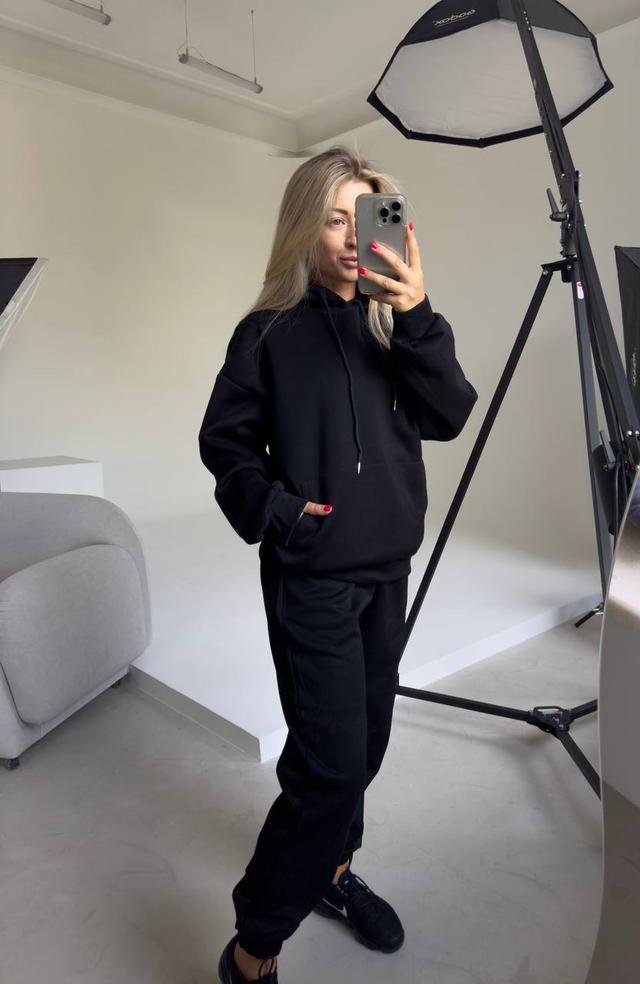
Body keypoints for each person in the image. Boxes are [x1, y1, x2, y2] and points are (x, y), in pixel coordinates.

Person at [198, 145, 478, 983]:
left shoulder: (398, 327)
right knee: (329, 771)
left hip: (387, 573)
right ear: (304, 228)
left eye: (366, 217)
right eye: (335, 219)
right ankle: (252, 949)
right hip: (312, 579)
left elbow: (450, 414)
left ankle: (331, 872)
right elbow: (225, 446)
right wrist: (281, 514)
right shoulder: (268, 333)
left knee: (366, 748)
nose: (355, 237)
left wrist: (417, 311)